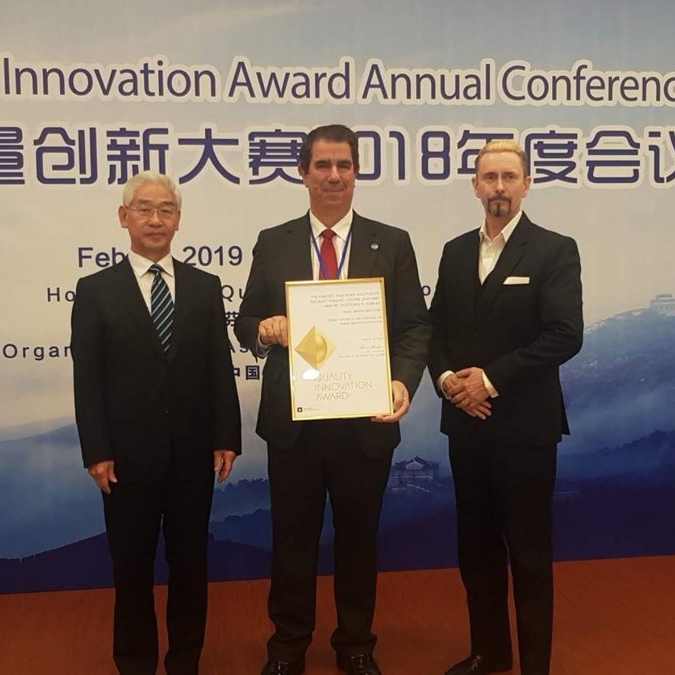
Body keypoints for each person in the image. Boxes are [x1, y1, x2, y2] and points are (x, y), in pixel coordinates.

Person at [235, 124, 431, 675]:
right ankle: (287, 647)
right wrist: (263, 330)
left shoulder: (392, 242)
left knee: (359, 542)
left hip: (365, 419)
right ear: (303, 173)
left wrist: (402, 381)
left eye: (344, 165)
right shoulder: (273, 241)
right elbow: (244, 321)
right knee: (291, 542)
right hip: (294, 423)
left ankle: (356, 646)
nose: (334, 176)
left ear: (357, 173)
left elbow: (415, 327)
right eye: (322, 165)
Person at [70, 171, 241, 675]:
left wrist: (226, 436)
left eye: (166, 209)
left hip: (192, 455)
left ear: (178, 220)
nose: (155, 219)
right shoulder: (96, 291)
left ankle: (185, 661)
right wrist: (96, 451)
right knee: (132, 571)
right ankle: (135, 663)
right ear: (124, 218)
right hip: (125, 460)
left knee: (190, 567)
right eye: (144, 209)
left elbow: (219, 367)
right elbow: (87, 380)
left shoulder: (204, 287)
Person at [428, 140, 583, 675]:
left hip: (525, 428)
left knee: (530, 555)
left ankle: (535, 664)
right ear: (475, 185)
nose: (499, 186)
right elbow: (434, 330)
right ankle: (489, 653)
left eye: (509, 177)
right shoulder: (453, 252)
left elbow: (565, 335)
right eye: (489, 177)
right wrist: (448, 381)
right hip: (465, 425)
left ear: (526, 184)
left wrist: (489, 381)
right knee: (476, 550)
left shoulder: (554, 250)